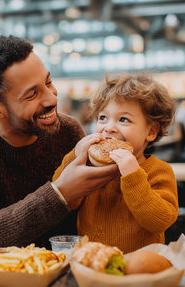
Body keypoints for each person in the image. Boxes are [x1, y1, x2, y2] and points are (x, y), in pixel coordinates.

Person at [0, 35, 117, 248]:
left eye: (48, 82)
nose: (52, 99)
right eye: (32, 95)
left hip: (66, 270)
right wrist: (60, 192)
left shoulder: (68, 131)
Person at [53, 72, 178, 253]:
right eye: (103, 117)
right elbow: (65, 200)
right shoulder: (89, 166)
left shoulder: (159, 171)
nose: (108, 127)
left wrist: (133, 176)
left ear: (151, 131)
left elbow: (159, 221)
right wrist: (75, 156)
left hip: (137, 271)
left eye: (123, 119)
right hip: (92, 264)